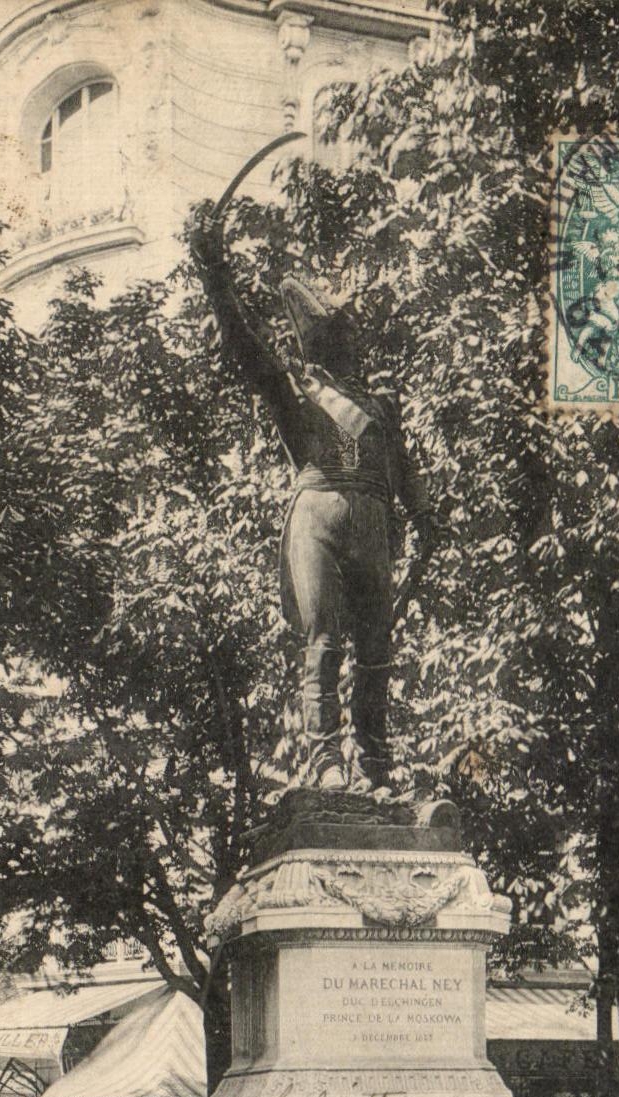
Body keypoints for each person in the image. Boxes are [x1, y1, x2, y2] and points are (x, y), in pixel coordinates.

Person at [189, 211, 432, 790]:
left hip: (374, 520)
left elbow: (402, 464)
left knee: (376, 649)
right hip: (317, 515)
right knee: (322, 642)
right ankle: (325, 760)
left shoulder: (380, 406)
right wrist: (216, 277)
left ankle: (375, 763)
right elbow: (245, 347)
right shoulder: (296, 394)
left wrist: (423, 513)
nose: (341, 338)